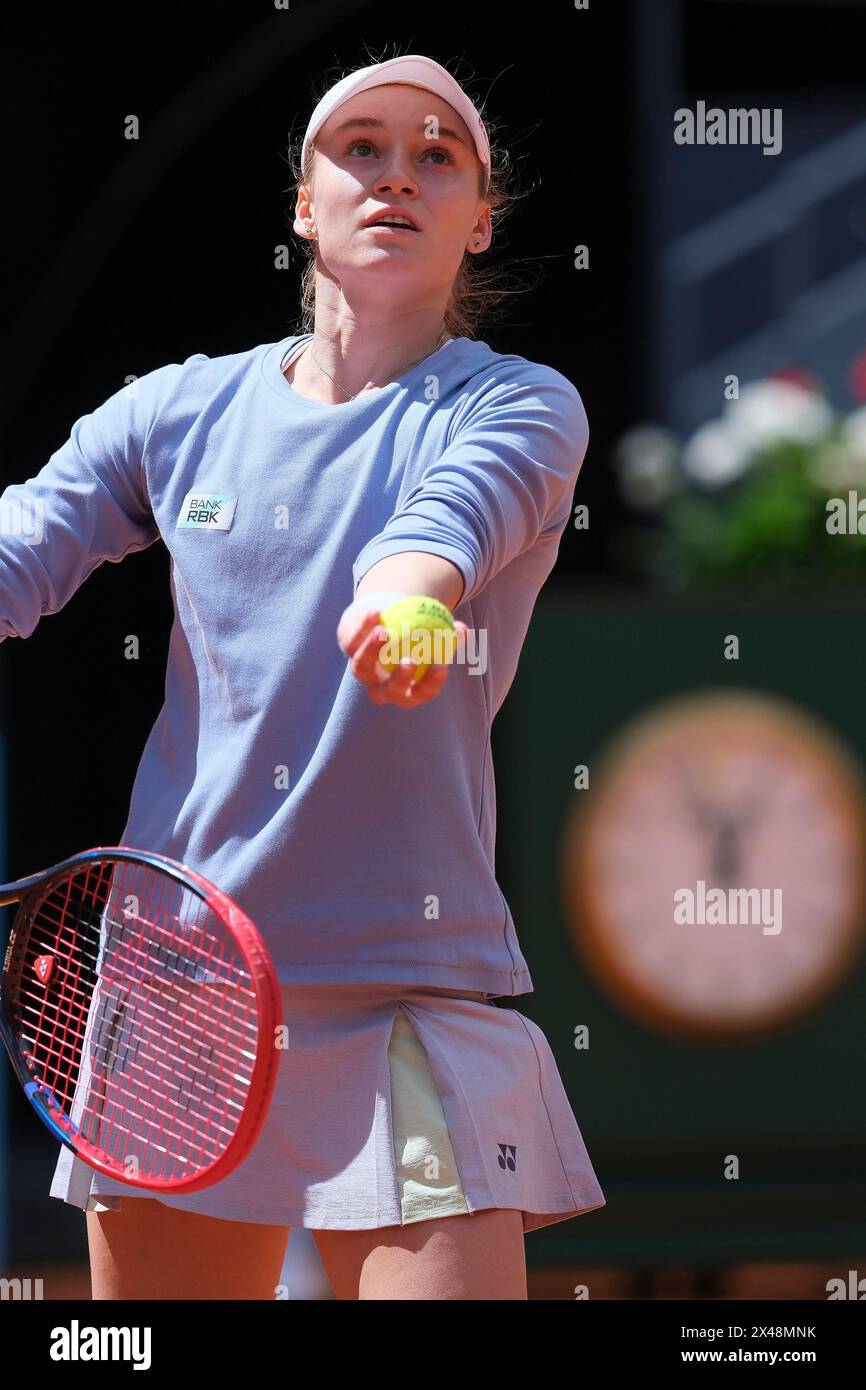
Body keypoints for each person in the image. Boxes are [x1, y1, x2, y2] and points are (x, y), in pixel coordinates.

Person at [2, 51, 605, 1300]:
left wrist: (407, 603)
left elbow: (447, 526)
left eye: (438, 155)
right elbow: (20, 551)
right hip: (179, 990)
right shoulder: (173, 413)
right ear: (302, 203)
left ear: (478, 219)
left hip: (407, 990)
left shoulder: (518, 405)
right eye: (363, 148)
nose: (398, 174)